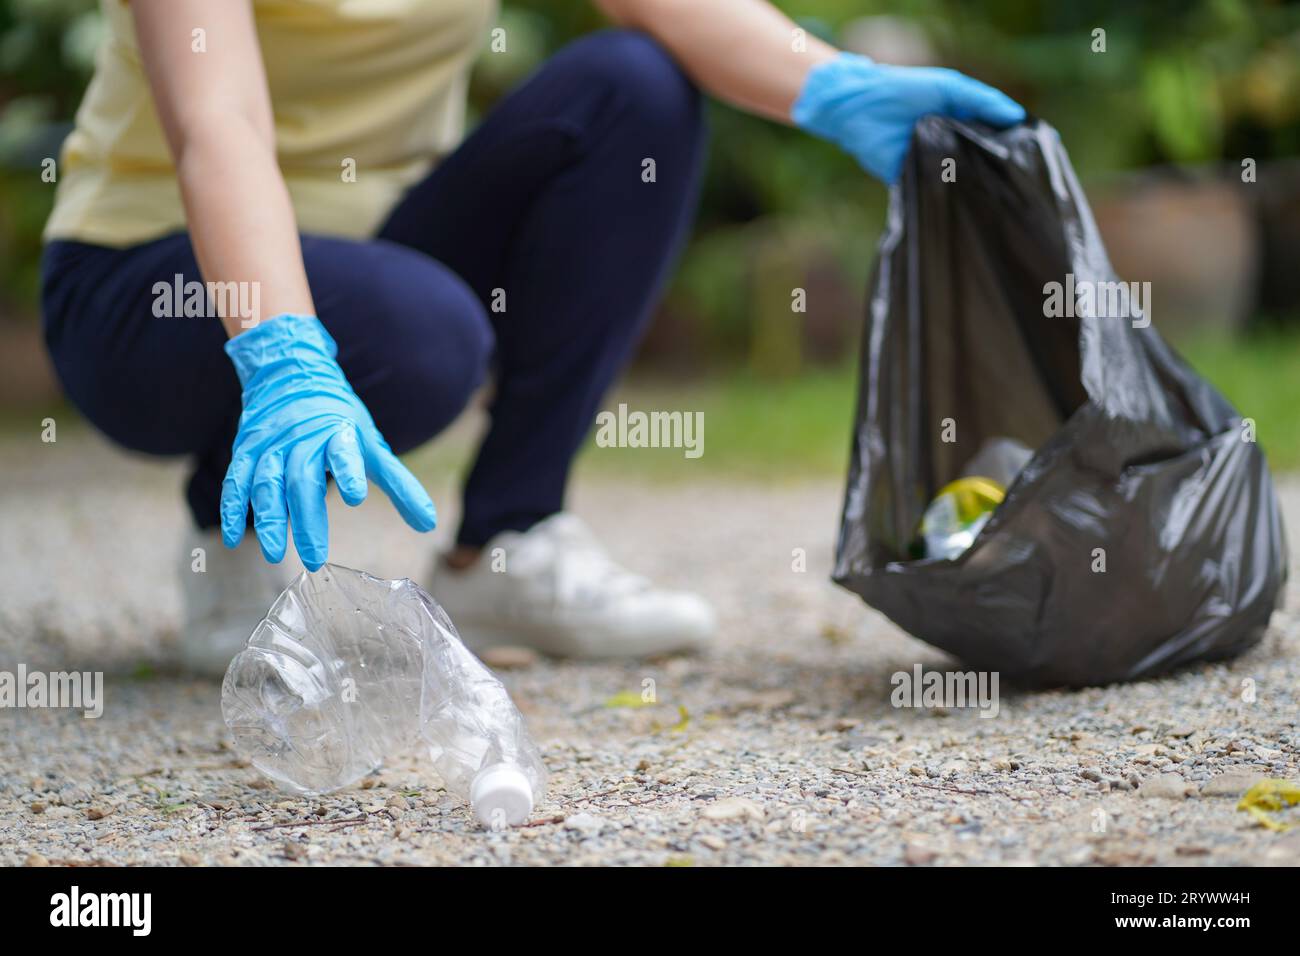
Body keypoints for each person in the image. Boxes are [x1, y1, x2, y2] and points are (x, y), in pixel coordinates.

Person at [40, 0, 1024, 674]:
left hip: (379, 252)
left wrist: (834, 86)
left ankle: (504, 547)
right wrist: (285, 351)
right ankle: (237, 537)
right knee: (415, 328)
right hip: (141, 282)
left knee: (636, 86)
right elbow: (220, 123)